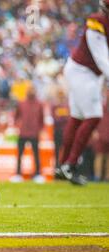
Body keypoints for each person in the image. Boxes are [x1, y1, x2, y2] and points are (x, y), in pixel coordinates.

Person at [59, 0, 109, 185]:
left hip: (89, 73)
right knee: (94, 116)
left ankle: (63, 165)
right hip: (83, 71)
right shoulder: (97, 22)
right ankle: (69, 165)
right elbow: (101, 58)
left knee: (77, 117)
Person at [10, 86, 45, 183]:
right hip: (23, 133)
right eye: (30, 90)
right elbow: (16, 116)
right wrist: (18, 126)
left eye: (33, 90)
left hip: (34, 133)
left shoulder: (39, 104)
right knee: (20, 154)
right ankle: (18, 174)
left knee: (36, 154)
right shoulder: (21, 103)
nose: (31, 92)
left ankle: (38, 174)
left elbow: (42, 119)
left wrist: (40, 129)